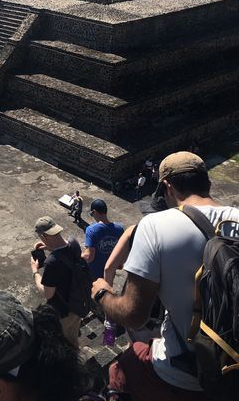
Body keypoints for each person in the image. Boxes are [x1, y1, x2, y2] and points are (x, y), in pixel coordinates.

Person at [95, 152, 239, 399]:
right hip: (234, 367)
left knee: (119, 370)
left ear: (167, 186)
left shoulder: (155, 226)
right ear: (208, 182)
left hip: (184, 373)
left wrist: (101, 293)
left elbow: (133, 315)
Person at [31, 215, 89, 348]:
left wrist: (35, 272)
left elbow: (47, 294)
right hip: (79, 303)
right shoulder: (73, 243)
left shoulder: (52, 263)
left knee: (61, 343)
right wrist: (47, 247)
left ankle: (69, 363)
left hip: (63, 311)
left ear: (44, 236)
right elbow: (64, 250)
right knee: (73, 335)